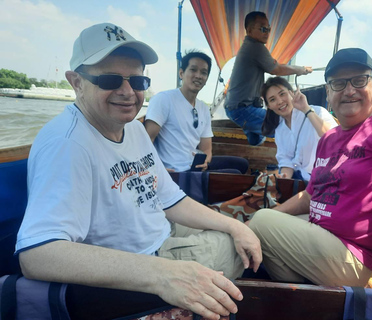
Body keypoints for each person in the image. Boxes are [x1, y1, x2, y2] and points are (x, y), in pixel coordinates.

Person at [15, 23, 262, 320]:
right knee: (245, 246)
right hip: (139, 266)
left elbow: (170, 199)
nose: (128, 92)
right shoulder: (67, 145)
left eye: (138, 81)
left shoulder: (132, 128)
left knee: (243, 230)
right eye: (109, 79)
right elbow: (37, 255)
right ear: (76, 82)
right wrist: (165, 275)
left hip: (160, 233)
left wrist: (236, 226)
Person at [249, 48, 372, 291]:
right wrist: (271, 214)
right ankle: (308, 298)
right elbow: (309, 197)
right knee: (262, 222)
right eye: (339, 84)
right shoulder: (330, 139)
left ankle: (319, 298)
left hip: (370, 262)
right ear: (328, 93)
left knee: (263, 222)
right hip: (331, 239)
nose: (349, 90)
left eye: (359, 80)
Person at [145, 50, 249, 173]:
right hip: (175, 172)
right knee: (235, 174)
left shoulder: (203, 108)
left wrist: (206, 161)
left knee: (242, 164)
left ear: (206, 79)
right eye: (193, 70)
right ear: (181, 73)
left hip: (195, 166)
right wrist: (156, 170)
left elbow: (206, 149)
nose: (198, 76)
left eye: (203, 73)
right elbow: (147, 139)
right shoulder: (164, 99)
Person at [224, 11, 313, 146]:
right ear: (249, 30)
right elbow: (276, 69)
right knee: (285, 125)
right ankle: (278, 164)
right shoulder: (255, 47)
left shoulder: (249, 47)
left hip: (236, 108)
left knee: (258, 141)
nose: (267, 32)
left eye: (269, 29)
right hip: (242, 110)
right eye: (263, 29)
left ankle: (256, 152)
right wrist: (301, 69)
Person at [261, 77, 338, 181]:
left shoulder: (317, 112)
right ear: (269, 106)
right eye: (272, 99)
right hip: (301, 181)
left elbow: (334, 138)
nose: (279, 101)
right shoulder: (280, 131)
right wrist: (283, 179)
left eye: (282, 94)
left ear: (291, 93)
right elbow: (286, 162)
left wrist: (306, 110)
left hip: (326, 179)